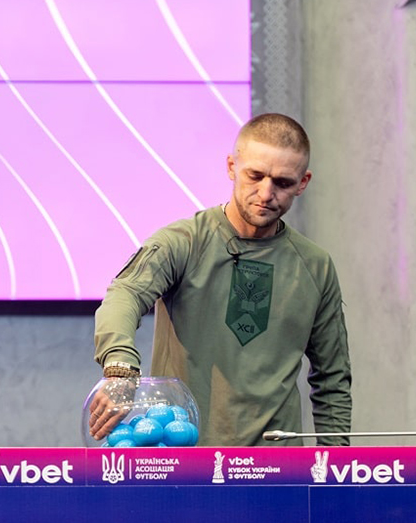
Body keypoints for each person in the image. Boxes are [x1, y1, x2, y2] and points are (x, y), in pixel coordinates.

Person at [90, 113, 351, 446]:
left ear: (303, 182)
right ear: (231, 167)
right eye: (255, 175)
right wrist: (120, 369)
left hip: (278, 465)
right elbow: (125, 294)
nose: (266, 193)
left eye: (283, 182)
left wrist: (334, 462)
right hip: (185, 455)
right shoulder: (183, 242)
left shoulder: (316, 266)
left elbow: (333, 380)